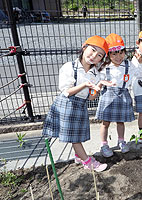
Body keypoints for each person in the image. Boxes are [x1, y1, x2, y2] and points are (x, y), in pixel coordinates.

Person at [43, 35, 111, 172]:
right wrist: (85, 84)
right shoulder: (70, 67)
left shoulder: (95, 74)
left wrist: (97, 89)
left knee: (78, 135)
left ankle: (78, 156)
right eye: (92, 50)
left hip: (80, 106)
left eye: (99, 55)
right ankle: (88, 162)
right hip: (67, 105)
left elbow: (91, 98)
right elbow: (67, 91)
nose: (93, 56)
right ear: (84, 47)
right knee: (75, 138)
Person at [95, 33, 136, 157]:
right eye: (114, 54)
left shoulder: (129, 65)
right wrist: (100, 84)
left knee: (120, 121)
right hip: (108, 96)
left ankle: (121, 141)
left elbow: (137, 74)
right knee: (105, 122)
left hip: (123, 95)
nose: (118, 56)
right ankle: (104, 144)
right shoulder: (104, 67)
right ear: (108, 54)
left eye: (121, 52)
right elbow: (97, 80)